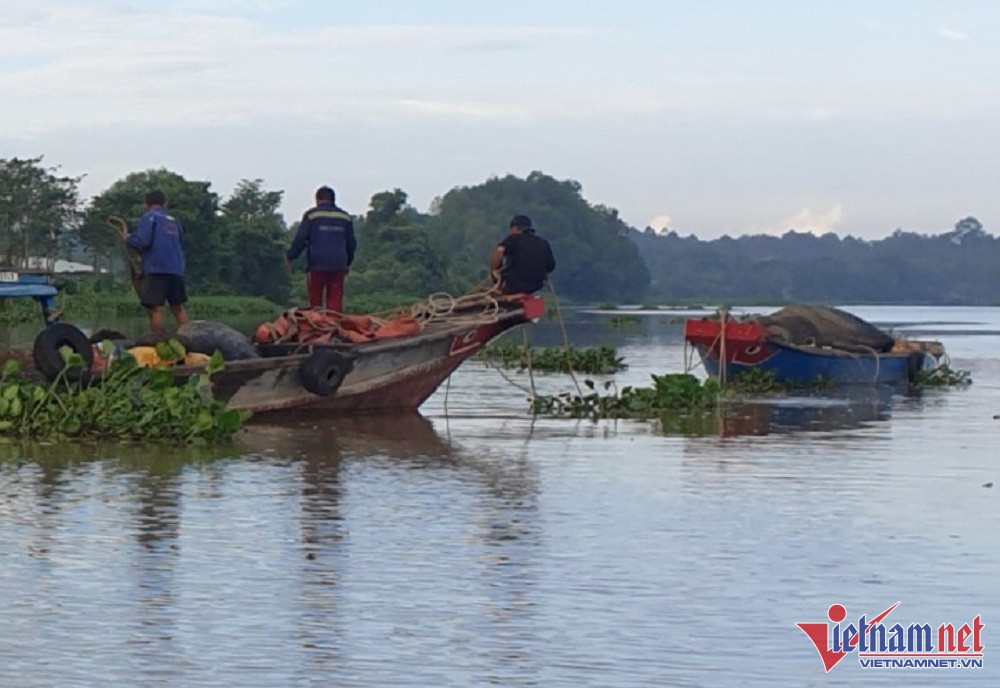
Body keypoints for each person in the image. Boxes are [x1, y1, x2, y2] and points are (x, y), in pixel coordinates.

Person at [120, 190, 188, 333]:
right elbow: (179, 241)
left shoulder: (149, 217)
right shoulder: (174, 221)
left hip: (156, 268)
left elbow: (142, 241)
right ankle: (188, 338)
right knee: (178, 308)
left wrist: (128, 238)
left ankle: (158, 341)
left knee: (156, 309)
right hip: (175, 269)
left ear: (146, 204)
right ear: (165, 204)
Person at [285, 185, 357, 312]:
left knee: (315, 302)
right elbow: (351, 243)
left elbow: (301, 238)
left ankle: (316, 322)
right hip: (338, 264)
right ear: (333, 199)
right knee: (335, 302)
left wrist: (290, 256)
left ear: (317, 199)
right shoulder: (345, 217)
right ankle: (334, 322)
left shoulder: (312, 215)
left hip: (317, 264)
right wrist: (348, 262)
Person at [489, 214, 556, 294]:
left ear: (515, 228)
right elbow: (550, 267)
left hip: (513, 285)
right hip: (535, 286)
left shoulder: (514, 238)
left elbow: (499, 251)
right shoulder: (544, 243)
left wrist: (494, 271)